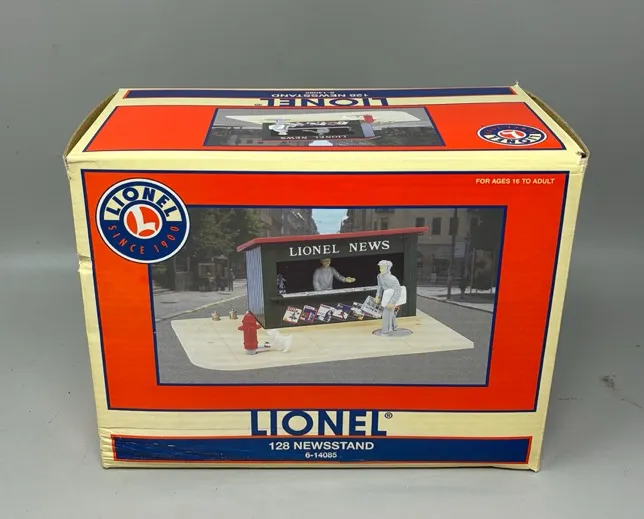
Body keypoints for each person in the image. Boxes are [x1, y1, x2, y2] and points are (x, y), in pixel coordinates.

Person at [375, 260, 401, 335]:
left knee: (386, 314)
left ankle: (386, 330)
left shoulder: (393, 279)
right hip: (385, 297)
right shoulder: (379, 276)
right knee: (391, 313)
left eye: (382, 268)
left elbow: (398, 291)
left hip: (392, 297)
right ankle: (394, 326)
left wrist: (392, 302)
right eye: (380, 268)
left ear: (387, 268)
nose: (381, 270)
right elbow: (379, 287)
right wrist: (378, 296)